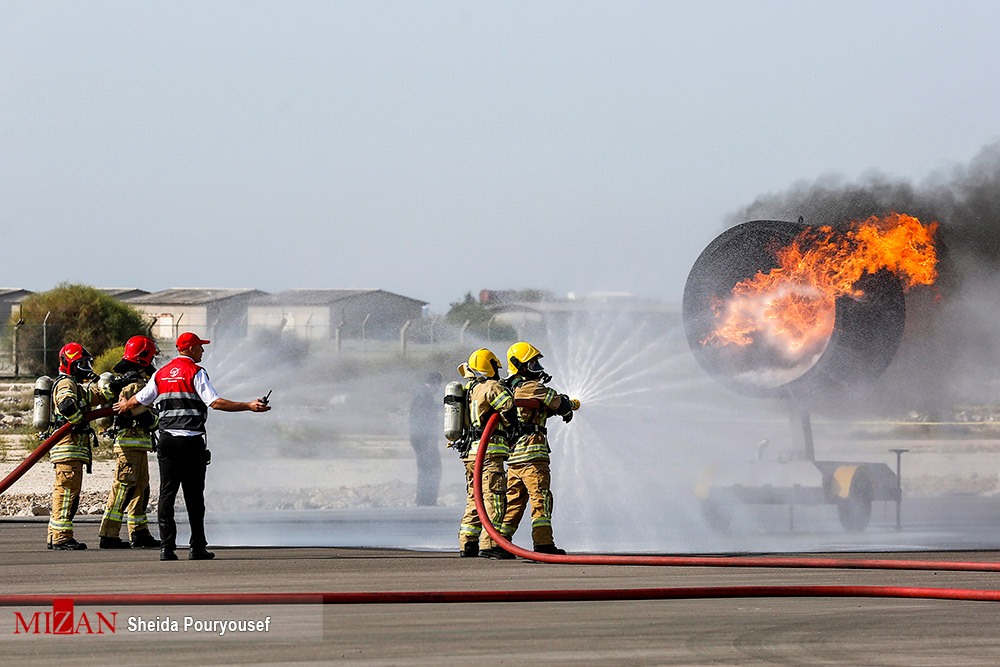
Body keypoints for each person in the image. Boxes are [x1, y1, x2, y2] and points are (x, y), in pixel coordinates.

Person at [113, 332, 270, 561]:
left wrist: (125, 405)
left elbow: (140, 399)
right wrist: (248, 405)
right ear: (190, 349)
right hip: (191, 441)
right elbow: (215, 402)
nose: (203, 351)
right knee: (194, 497)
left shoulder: (161, 373)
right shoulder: (196, 372)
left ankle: (167, 548)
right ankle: (197, 547)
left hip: (167, 441)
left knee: (167, 494)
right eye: (200, 347)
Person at [498, 342, 577, 555]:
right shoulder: (533, 387)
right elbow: (556, 403)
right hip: (533, 457)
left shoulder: (509, 389)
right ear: (520, 365)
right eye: (532, 362)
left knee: (514, 501)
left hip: (514, 458)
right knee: (541, 499)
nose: (537, 366)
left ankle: (500, 541)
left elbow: (536, 411)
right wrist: (568, 405)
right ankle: (543, 544)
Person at [47, 342, 114, 550]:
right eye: (81, 363)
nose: (86, 367)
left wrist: (117, 386)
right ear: (70, 364)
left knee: (67, 492)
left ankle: (55, 535)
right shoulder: (66, 384)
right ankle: (61, 537)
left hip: (72, 451)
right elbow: (67, 405)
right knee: (67, 493)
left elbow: (96, 396)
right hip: (68, 449)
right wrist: (79, 420)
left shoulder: (76, 386)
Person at [97, 335, 162, 550]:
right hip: (129, 446)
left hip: (138, 446)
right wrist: (158, 422)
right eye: (152, 357)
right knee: (123, 488)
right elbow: (142, 415)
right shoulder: (135, 385)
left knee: (140, 490)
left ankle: (139, 532)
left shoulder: (135, 382)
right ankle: (109, 534)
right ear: (144, 359)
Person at [457, 348, 518, 560]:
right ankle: (491, 544)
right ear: (490, 366)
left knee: (474, 499)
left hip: (471, 453)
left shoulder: (470, 389)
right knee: (494, 498)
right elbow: (509, 409)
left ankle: (468, 543)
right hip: (490, 452)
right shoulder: (492, 387)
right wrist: (513, 428)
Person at [409, 371, 443, 506]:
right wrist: (430, 439)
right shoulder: (424, 396)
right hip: (424, 438)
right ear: (436, 383)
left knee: (426, 468)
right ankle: (427, 500)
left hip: (419, 438)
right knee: (431, 468)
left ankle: (424, 499)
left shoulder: (422, 394)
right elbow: (425, 419)